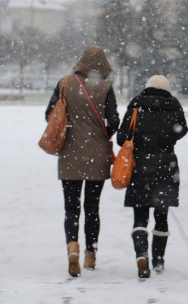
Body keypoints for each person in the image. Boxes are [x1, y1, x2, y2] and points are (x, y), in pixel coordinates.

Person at [45, 46, 120, 277]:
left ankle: (72, 248)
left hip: (69, 153)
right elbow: (114, 121)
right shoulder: (106, 87)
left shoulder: (65, 84)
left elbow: (49, 114)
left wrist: (70, 126)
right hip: (97, 154)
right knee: (92, 207)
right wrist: (100, 133)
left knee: (71, 207)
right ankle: (91, 253)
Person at [117, 75, 188, 278]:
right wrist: (166, 137)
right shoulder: (173, 105)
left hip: (140, 165)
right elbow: (182, 130)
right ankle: (158, 259)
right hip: (166, 166)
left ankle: (141, 255)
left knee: (140, 216)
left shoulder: (137, 104)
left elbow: (122, 137)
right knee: (161, 215)